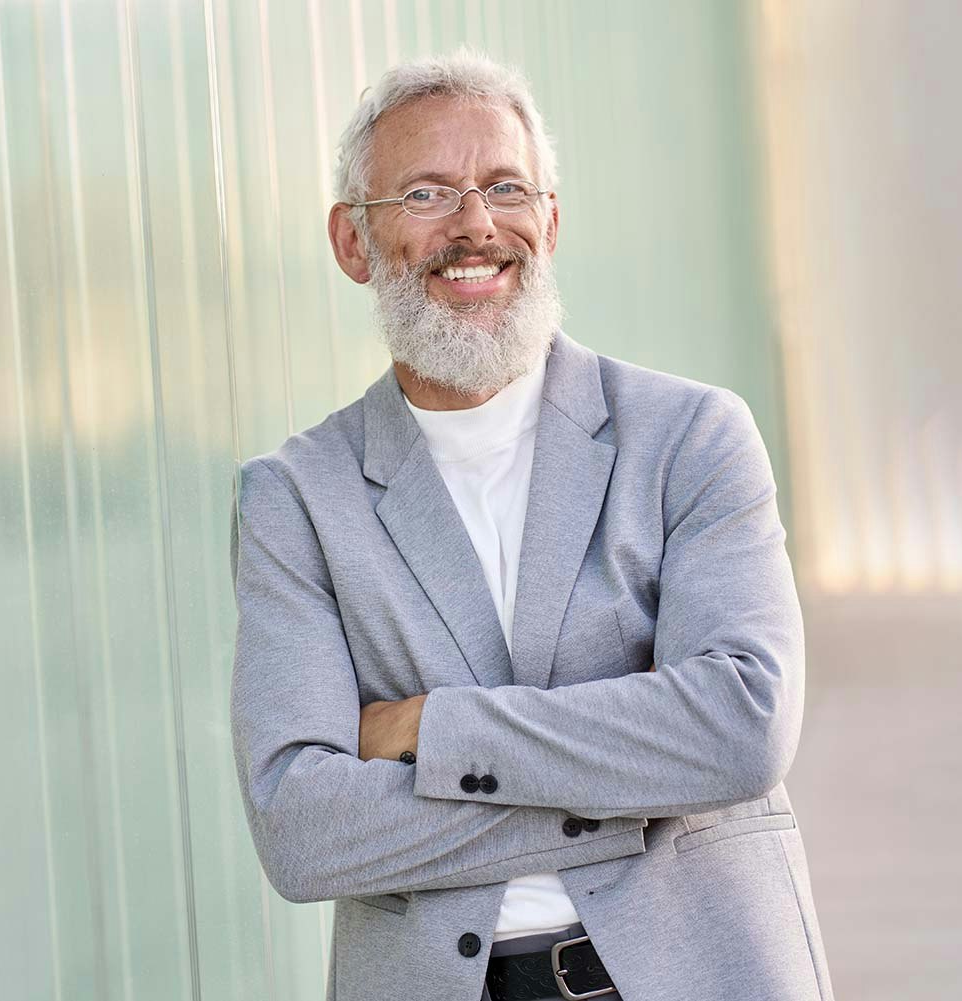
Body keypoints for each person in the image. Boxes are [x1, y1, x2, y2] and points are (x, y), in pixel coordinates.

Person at [229, 49, 835, 1001]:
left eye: (505, 186)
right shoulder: (296, 498)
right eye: (427, 193)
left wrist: (434, 728)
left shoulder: (691, 437)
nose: (476, 226)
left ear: (549, 219)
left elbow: (741, 726)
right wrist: (639, 789)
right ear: (353, 242)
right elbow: (303, 828)